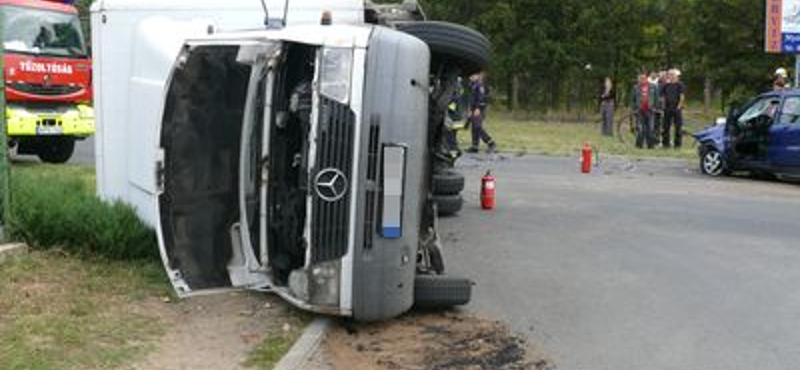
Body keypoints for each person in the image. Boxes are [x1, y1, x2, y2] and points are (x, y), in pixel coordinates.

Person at [465, 72, 497, 153]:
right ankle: (475, 146)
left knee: (477, 127)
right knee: (474, 128)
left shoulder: (479, 85)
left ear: (477, 76)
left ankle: (491, 143)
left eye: (473, 75)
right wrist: (470, 110)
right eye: (470, 76)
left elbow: (481, 98)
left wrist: (478, 108)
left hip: (479, 109)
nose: (470, 77)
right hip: (473, 109)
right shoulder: (473, 85)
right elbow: (472, 99)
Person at [630, 71, 660, 149]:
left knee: (650, 128)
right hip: (640, 111)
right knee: (640, 129)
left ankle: (650, 146)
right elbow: (632, 100)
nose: (641, 79)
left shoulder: (653, 86)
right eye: (639, 78)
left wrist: (656, 108)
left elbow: (657, 99)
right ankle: (639, 146)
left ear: (646, 78)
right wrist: (634, 109)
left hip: (650, 111)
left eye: (643, 78)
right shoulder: (635, 87)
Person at [660, 69, 685, 148]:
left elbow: (682, 97)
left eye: (672, 75)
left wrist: (679, 107)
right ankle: (665, 144)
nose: (670, 77)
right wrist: (663, 106)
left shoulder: (680, 85)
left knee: (678, 127)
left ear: (676, 76)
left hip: (676, 109)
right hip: (667, 109)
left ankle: (677, 144)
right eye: (669, 75)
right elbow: (663, 96)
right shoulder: (666, 85)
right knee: (665, 127)